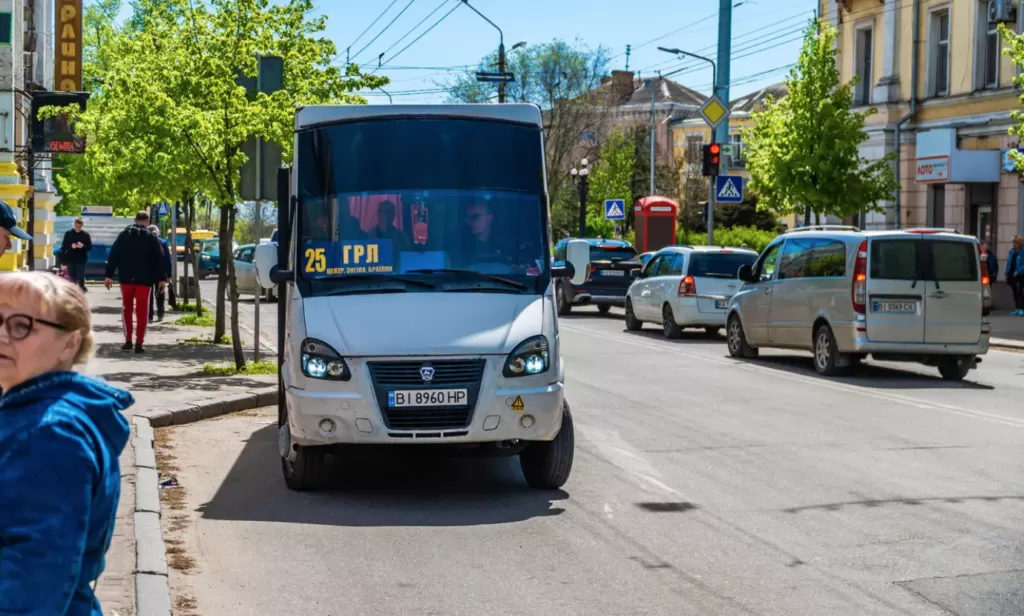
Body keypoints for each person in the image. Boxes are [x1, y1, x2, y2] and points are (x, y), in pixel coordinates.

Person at [0, 271, 133, 616]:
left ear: (69, 344)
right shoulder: (30, 411)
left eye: (20, 325)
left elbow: (36, 573)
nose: (2, 335)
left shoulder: (51, 432)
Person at [104, 211, 167, 353]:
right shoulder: (151, 237)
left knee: (126, 308)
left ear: (134, 220)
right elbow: (159, 258)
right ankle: (139, 343)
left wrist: (108, 275)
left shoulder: (123, 235)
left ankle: (128, 340)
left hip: (126, 278)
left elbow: (113, 254)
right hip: (144, 280)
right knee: (142, 310)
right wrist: (161, 279)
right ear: (147, 221)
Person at [59, 217, 92, 292]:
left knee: (81, 276)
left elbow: (89, 247)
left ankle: (82, 288)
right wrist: (71, 246)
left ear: (82, 226)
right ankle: (73, 291)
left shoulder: (85, 235)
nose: (78, 228)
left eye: (79, 227)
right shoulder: (68, 233)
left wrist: (82, 246)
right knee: (72, 276)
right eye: (76, 226)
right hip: (71, 258)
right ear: (74, 225)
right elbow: (64, 245)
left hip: (82, 259)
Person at [147, 225, 173, 322]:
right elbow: (167, 260)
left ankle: (149, 315)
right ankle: (160, 314)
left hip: (147, 274)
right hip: (160, 274)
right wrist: (169, 274)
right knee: (160, 295)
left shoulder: (145, 243)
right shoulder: (163, 242)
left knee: (148, 295)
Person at [1006, 236, 1024, 316]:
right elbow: (1009, 263)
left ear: (1020, 244)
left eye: (1016, 242)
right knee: (1015, 292)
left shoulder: (1023, 252)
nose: (1014, 244)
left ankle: (1021, 308)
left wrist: (1018, 271)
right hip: (1011, 274)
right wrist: (1006, 273)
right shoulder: (1011, 252)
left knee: (1020, 291)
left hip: (1020, 275)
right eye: (1013, 242)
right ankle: (1017, 308)